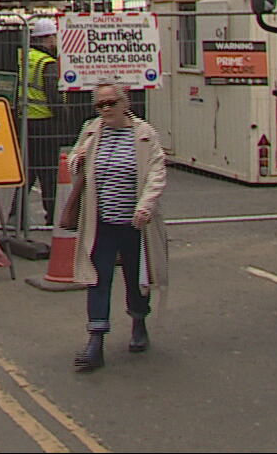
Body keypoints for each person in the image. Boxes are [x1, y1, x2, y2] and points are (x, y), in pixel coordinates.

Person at [63, 82, 170, 371]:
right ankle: (95, 340)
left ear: (125, 103)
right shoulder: (91, 131)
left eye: (111, 103)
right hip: (101, 223)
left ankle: (138, 322)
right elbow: (73, 163)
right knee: (97, 279)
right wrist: (78, 160)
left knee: (137, 279)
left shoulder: (144, 135)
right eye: (100, 105)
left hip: (135, 224)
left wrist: (145, 206)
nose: (105, 110)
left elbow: (157, 173)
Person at [18, 17, 62, 226]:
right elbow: (53, 96)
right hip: (45, 122)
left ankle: (14, 215)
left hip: (26, 122)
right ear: (47, 38)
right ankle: (53, 216)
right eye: (54, 36)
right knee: (49, 175)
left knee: (27, 172)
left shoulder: (24, 57)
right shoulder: (47, 63)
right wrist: (64, 119)